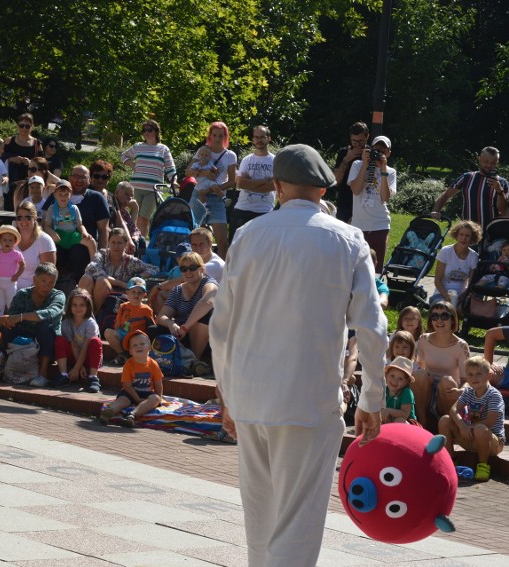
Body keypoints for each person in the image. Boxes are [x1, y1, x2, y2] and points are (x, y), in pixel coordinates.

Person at [209, 144, 387, 566]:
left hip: (252, 396)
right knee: (298, 523)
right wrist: (372, 398)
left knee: (260, 518)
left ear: (277, 186)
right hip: (309, 399)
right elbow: (373, 327)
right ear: (323, 189)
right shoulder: (348, 239)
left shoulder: (249, 235)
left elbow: (221, 328)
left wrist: (228, 394)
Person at [438, 355, 505, 482]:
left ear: (489, 376)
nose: (474, 378)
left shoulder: (494, 395)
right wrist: (462, 425)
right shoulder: (468, 392)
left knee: (481, 428)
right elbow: (453, 410)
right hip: (470, 436)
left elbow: (490, 421)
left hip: (492, 442)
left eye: (479, 374)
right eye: (470, 374)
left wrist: (468, 427)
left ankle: (483, 466)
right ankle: (451, 461)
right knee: (445, 420)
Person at [0, 262, 65, 387]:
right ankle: (7, 365)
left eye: (51, 282)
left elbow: (50, 313)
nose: (47, 286)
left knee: (46, 327)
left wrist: (21, 317)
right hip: (23, 339)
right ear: (34, 279)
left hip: (46, 341)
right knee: (7, 328)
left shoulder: (58, 295)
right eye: (43, 281)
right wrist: (6, 320)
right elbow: (11, 317)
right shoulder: (22, 294)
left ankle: (43, 374)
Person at [41, 166, 110, 282]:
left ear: (89, 180)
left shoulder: (96, 198)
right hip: (58, 239)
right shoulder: (55, 197)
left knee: (79, 251)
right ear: (69, 178)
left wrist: (103, 256)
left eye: (83, 177)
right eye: (76, 176)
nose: (79, 180)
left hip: (81, 246)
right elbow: (44, 222)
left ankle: (93, 272)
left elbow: (103, 230)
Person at [412, 300, 469, 429]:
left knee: (447, 381)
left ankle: (449, 426)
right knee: (420, 374)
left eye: (444, 316)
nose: (439, 320)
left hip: (447, 392)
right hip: (427, 390)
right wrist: (425, 374)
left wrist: (461, 390)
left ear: (453, 319)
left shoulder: (461, 345)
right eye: (434, 316)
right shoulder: (423, 340)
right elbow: (419, 366)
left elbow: (466, 379)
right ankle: (423, 422)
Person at [152, 251, 218, 360]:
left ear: (202, 269)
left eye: (192, 267)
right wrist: (170, 324)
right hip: (182, 335)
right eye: (183, 269)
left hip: (205, 338)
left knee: (208, 313)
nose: (188, 272)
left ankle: (194, 360)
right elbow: (161, 317)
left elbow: (208, 302)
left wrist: (186, 327)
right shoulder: (178, 289)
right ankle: (169, 360)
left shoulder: (210, 284)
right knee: (154, 330)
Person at [77, 227, 157, 312]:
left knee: (101, 281)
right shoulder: (102, 254)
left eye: (119, 243)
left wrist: (138, 277)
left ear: (125, 244)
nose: (116, 246)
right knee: (87, 278)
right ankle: (82, 314)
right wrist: (121, 283)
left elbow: (154, 268)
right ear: (109, 243)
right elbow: (91, 268)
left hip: (119, 298)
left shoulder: (131, 261)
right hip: (97, 293)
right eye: (113, 242)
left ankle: (97, 317)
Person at [186, 121, 237, 251]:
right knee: (196, 239)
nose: (217, 139)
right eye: (215, 135)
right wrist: (205, 173)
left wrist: (213, 188)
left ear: (225, 137)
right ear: (210, 136)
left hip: (217, 197)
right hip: (199, 195)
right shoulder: (202, 151)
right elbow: (188, 172)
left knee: (222, 242)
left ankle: (222, 270)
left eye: (221, 136)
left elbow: (232, 181)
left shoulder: (230, 155)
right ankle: (196, 269)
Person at [121, 120, 176, 238]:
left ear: (156, 132)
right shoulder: (138, 146)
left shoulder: (163, 149)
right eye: (144, 130)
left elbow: (170, 167)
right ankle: (129, 241)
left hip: (153, 190)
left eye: (149, 130)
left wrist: (174, 181)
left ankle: (140, 242)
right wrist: (133, 165)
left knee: (144, 218)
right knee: (132, 216)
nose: (146, 133)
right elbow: (123, 156)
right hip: (136, 187)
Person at [149, 227, 225, 313]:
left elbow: (183, 279)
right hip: (199, 301)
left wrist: (158, 286)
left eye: (201, 244)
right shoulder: (198, 260)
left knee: (161, 293)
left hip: (215, 309)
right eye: (194, 245)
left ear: (210, 244)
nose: (198, 249)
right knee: (162, 294)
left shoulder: (215, 264)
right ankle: (165, 324)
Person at [348, 136, 397, 266]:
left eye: (383, 151)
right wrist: (365, 163)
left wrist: (383, 169)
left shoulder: (390, 172)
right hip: (359, 225)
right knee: (356, 265)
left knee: (377, 265)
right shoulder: (358, 165)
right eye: (376, 150)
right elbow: (356, 190)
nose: (379, 154)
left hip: (380, 224)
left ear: (388, 153)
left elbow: (385, 198)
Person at [99, 329, 163, 428]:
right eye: (135, 345)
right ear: (130, 351)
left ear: (150, 347)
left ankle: (132, 415)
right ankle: (109, 411)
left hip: (146, 392)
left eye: (142, 343)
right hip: (129, 392)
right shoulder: (128, 364)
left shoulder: (154, 364)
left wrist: (159, 399)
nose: (139, 346)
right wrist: (137, 398)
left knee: (155, 398)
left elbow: (158, 383)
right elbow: (127, 385)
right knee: (123, 400)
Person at [431, 146, 509, 227]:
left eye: (493, 163)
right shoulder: (467, 178)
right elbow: (446, 195)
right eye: (486, 162)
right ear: (479, 159)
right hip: (469, 232)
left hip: (491, 231)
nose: (489, 165)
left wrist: (499, 190)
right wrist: (436, 210)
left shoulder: (502, 183)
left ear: (497, 163)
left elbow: (503, 210)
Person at [231, 126, 276, 244]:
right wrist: (264, 181)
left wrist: (250, 182)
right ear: (253, 139)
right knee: (235, 247)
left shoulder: (275, 161)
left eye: (262, 137)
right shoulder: (247, 160)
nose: (259, 140)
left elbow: (272, 186)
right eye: (256, 137)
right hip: (242, 209)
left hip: (264, 211)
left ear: (269, 138)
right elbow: (240, 183)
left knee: (262, 248)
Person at [54, 288, 103, 392]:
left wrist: (76, 369)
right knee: (59, 339)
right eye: (74, 305)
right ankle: (64, 375)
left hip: (89, 357)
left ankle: (93, 378)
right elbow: (73, 345)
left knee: (96, 342)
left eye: (82, 305)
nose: (78, 308)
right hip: (75, 356)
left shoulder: (90, 323)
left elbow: (85, 348)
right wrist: (79, 367)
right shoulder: (66, 323)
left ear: (87, 306)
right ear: (69, 306)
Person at [43, 180, 97, 269]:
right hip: (59, 235)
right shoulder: (51, 208)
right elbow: (47, 226)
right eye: (60, 194)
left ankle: (94, 267)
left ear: (70, 195)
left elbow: (80, 225)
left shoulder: (74, 208)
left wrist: (85, 233)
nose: (63, 197)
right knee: (46, 243)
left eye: (66, 194)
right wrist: (52, 233)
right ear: (55, 195)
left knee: (91, 242)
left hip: (72, 235)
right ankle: (48, 270)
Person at [104, 277, 155, 365]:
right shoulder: (123, 306)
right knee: (108, 332)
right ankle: (123, 354)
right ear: (127, 292)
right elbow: (117, 323)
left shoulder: (147, 309)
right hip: (122, 333)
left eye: (140, 293)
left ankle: (129, 356)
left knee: (138, 340)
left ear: (144, 294)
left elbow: (151, 327)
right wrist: (115, 334)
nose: (136, 295)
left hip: (136, 336)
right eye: (133, 292)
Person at [430, 220, 481, 307]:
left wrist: (462, 296)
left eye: (467, 236)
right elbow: (437, 280)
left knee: (464, 310)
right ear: (456, 235)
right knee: (443, 308)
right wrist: (446, 296)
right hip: (441, 293)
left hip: (461, 295)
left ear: (472, 238)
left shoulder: (473, 256)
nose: (463, 238)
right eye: (461, 234)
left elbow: (471, 284)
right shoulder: (445, 251)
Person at [331, 121, 370, 223]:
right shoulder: (344, 152)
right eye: (354, 141)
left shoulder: (371, 153)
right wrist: (346, 160)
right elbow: (335, 181)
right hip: (345, 203)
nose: (357, 145)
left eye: (360, 142)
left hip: (365, 203)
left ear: (367, 137)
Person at [13, 201, 56, 289]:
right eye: (19, 217)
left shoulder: (45, 240)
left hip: (33, 289)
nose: (23, 221)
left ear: (35, 218)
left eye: (28, 217)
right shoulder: (10, 238)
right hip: (9, 286)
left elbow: (48, 275)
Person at [3, 113, 41, 211]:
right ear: (17, 126)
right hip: (11, 178)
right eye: (21, 125)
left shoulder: (37, 143)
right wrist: (11, 159)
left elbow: (42, 162)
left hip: (29, 179)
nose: (24, 128)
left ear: (32, 127)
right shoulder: (9, 141)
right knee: (9, 206)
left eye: (27, 126)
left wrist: (31, 163)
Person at [0, 225, 26, 317]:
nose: (7, 242)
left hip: (11, 281)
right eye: (5, 240)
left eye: (10, 240)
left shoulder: (16, 254)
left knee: (11, 302)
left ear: (14, 242)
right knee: (0, 302)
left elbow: (23, 265)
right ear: (0, 241)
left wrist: (17, 275)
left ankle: (11, 320)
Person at [382, 356, 418, 424]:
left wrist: (389, 411)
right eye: (392, 376)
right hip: (391, 421)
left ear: (406, 382)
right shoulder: (384, 390)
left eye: (400, 379)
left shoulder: (407, 393)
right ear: (386, 375)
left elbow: (405, 414)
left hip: (409, 424)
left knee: (399, 421)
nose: (395, 381)